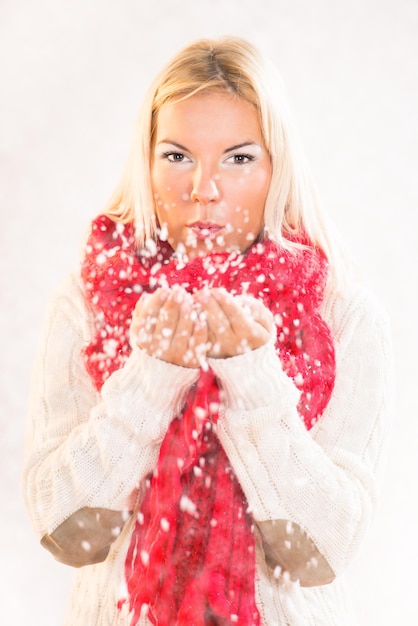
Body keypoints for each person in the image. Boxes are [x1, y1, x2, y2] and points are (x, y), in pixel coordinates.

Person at [23, 36, 393, 625]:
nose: (204, 188)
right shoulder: (89, 303)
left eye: (239, 158)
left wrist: (252, 377)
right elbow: (69, 534)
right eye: (177, 156)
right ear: (146, 162)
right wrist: (152, 377)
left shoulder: (342, 315)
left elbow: (322, 552)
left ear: (277, 169)